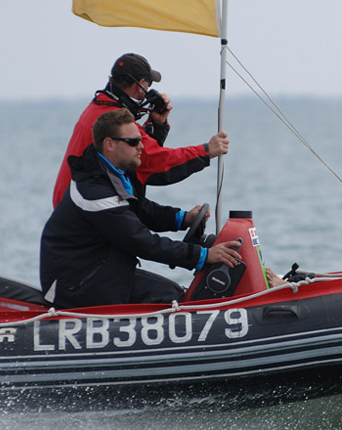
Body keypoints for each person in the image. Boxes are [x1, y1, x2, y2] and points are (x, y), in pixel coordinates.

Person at [41, 108, 243, 309]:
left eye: (140, 140)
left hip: (97, 269)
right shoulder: (94, 191)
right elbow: (140, 240)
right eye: (133, 142)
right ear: (109, 144)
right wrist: (203, 256)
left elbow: (139, 208)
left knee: (172, 292)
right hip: (74, 285)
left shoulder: (110, 172)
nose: (141, 147)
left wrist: (182, 218)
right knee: (171, 299)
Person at [51, 53, 230, 209]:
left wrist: (156, 124)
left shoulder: (98, 107)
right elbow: (153, 163)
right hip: (82, 212)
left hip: (72, 206)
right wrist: (206, 151)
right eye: (148, 85)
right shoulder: (110, 115)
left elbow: (135, 154)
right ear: (141, 85)